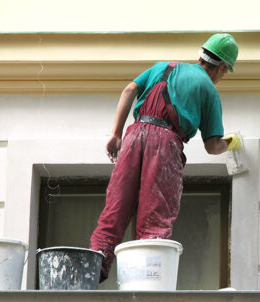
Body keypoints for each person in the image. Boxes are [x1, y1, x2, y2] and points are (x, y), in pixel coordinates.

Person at [90, 33, 241, 281]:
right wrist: (230, 144)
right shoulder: (208, 90)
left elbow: (129, 89)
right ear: (222, 68)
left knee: (114, 211)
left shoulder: (163, 67)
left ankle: (92, 272)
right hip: (165, 145)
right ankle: (146, 284)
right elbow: (212, 146)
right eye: (225, 71)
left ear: (201, 55)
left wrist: (116, 134)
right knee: (154, 219)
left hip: (133, 136)